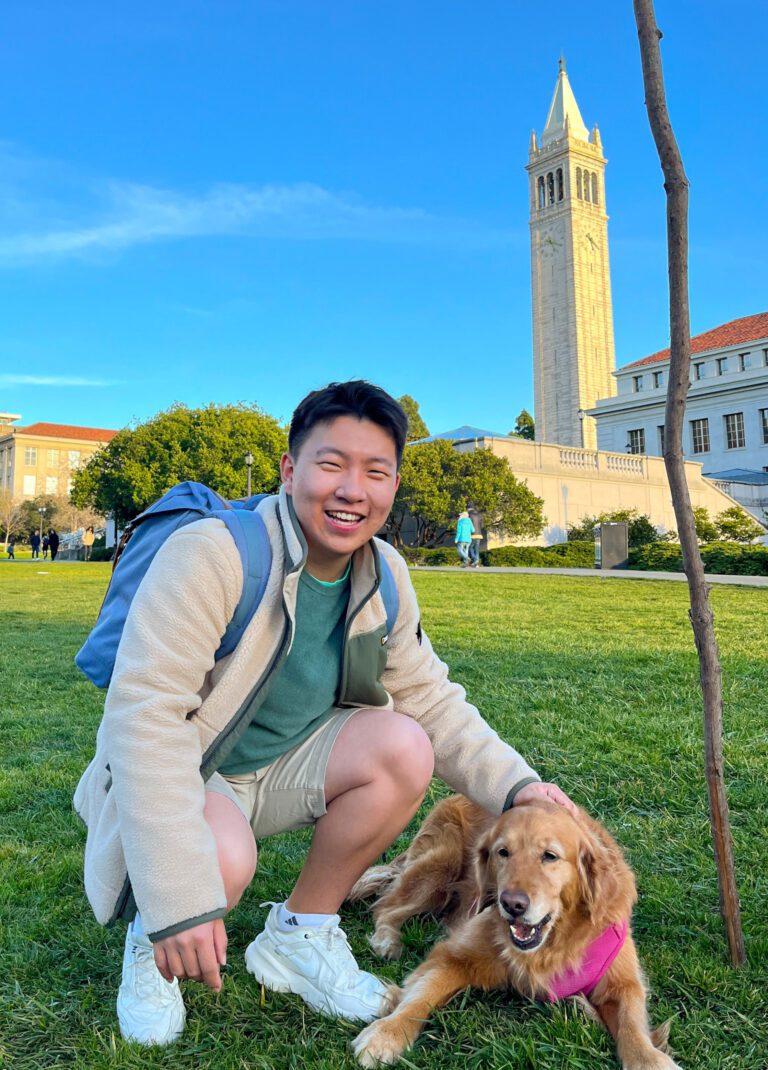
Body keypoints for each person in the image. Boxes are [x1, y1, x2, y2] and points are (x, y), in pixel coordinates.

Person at [74, 381, 574, 1047]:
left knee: (403, 746)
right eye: (331, 464)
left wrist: (521, 787)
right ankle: (151, 944)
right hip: (194, 768)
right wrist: (173, 899)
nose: (352, 490)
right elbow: (145, 719)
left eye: (376, 471)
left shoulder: (384, 573)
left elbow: (431, 700)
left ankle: (299, 934)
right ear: (289, 471)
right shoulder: (214, 554)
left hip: (286, 767)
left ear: (394, 484)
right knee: (217, 861)